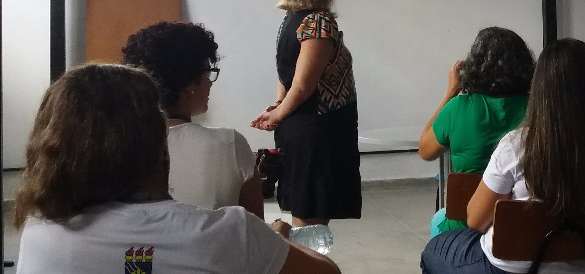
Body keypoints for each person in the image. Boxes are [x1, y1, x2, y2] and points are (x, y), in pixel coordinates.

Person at [13, 63, 340, 274]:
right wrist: (276, 239)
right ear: (157, 143)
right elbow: (327, 271)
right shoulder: (229, 234)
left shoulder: (40, 231)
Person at [420, 38, 585, 274]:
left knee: (434, 250)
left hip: (512, 267)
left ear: (539, 85)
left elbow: (475, 221)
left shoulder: (516, 144)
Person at [251, 0, 361, 227]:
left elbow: (285, 75)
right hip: (319, 132)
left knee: (307, 215)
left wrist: (278, 108)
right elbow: (301, 85)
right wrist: (277, 114)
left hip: (305, 129)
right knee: (312, 224)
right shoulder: (319, 22)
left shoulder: (292, 19)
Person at [122, 21, 263, 217]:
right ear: (190, 83)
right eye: (208, 73)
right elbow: (255, 229)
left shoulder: (120, 145)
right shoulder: (229, 142)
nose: (210, 84)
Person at [418, 26, 535, 235]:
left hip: (466, 227)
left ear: (474, 66)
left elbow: (426, 151)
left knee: (438, 219)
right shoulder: (539, 109)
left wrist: (451, 92)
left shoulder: (457, 108)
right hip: (522, 227)